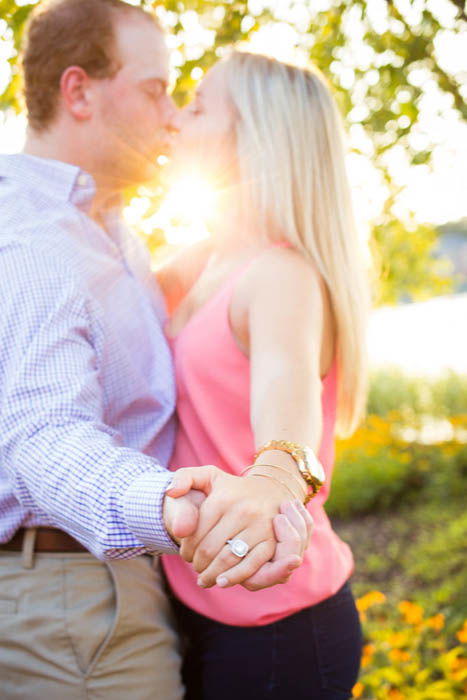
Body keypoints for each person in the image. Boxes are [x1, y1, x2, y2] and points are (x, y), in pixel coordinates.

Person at [0, 2, 312, 698]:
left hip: (113, 590)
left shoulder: (113, 231)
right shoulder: (28, 237)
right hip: (71, 602)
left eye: (183, 99)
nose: (171, 116)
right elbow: (43, 436)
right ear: (78, 91)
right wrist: (174, 506)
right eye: (156, 90)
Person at [158, 51, 369, 699]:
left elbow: (290, 387)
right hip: (205, 605)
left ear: (251, 136)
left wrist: (277, 471)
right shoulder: (200, 264)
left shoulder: (280, 275)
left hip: (279, 626)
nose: (172, 119)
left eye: (195, 107)